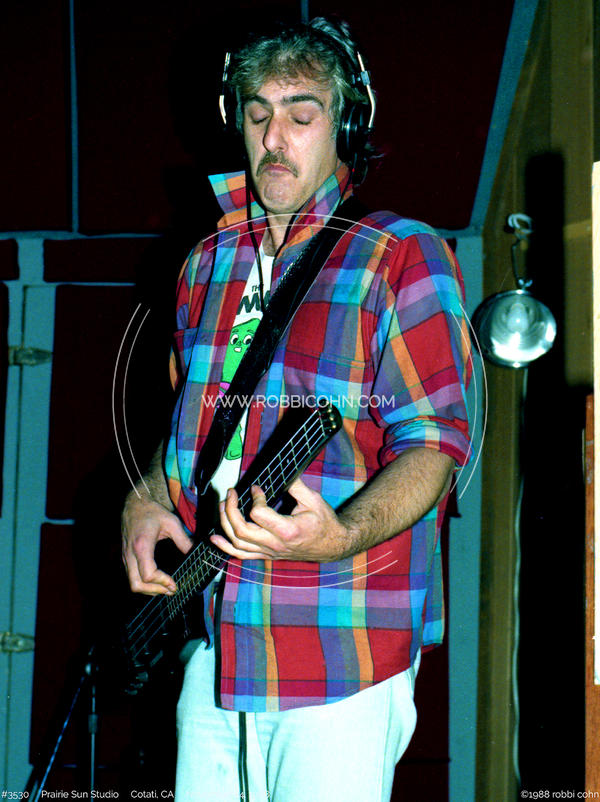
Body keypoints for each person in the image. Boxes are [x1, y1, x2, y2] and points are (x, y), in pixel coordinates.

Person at [121, 16, 471, 802]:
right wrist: (146, 499)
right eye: (257, 115)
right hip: (216, 649)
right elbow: (192, 434)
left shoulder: (400, 254)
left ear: (344, 128)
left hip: (339, 648)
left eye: (301, 115)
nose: (274, 138)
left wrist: (340, 534)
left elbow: (435, 444)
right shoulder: (206, 266)